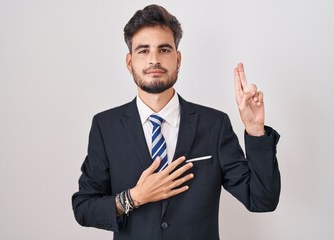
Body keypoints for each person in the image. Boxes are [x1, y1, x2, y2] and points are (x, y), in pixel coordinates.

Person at [72, 4, 280, 240]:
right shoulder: (105, 126)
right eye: (143, 51)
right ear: (129, 63)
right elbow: (83, 208)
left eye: (164, 50)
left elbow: (262, 200)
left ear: (178, 59)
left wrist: (255, 132)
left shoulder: (214, 124)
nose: (154, 60)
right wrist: (133, 197)